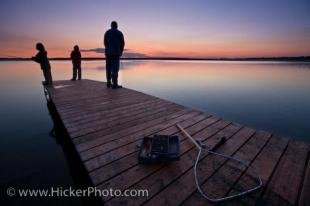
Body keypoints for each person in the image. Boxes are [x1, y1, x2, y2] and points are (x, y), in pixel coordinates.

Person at [104, 21, 125, 89]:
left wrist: (108, 49)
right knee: (115, 69)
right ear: (116, 26)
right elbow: (122, 43)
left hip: (108, 54)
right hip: (116, 54)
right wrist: (121, 51)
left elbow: (105, 43)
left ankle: (108, 82)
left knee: (108, 69)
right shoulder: (119, 33)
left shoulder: (107, 33)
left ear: (111, 26)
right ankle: (115, 84)